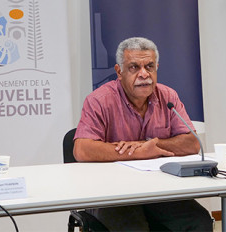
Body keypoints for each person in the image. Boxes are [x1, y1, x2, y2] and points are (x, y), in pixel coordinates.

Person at [74, 37, 213, 232]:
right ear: (119, 72)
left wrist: (148, 145)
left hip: (158, 190)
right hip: (113, 193)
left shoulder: (168, 96)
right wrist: (138, 152)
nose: (143, 74)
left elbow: (192, 143)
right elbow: (82, 149)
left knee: (199, 221)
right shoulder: (99, 100)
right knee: (134, 229)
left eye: (149, 66)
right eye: (133, 67)